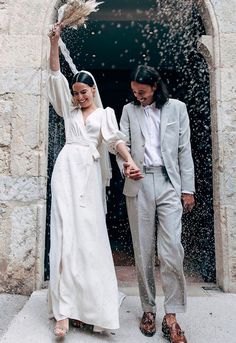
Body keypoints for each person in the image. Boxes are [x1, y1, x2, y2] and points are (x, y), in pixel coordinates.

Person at [47, 23, 141, 338]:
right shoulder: (69, 111)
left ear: (93, 91)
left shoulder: (104, 114)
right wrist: (55, 41)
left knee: (89, 239)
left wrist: (129, 162)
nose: (78, 97)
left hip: (87, 176)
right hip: (65, 173)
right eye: (75, 93)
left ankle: (93, 306)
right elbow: (54, 76)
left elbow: (115, 141)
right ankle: (63, 311)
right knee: (66, 236)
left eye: (83, 93)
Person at [117, 65, 195, 343]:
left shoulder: (177, 109)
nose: (138, 96)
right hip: (139, 184)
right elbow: (120, 143)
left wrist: (188, 189)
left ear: (155, 87)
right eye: (134, 92)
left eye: (142, 92)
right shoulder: (129, 111)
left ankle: (172, 315)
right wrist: (127, 166)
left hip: (168, 182)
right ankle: (148, 309)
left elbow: (185, 149)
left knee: (172, 247)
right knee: (143, 250)